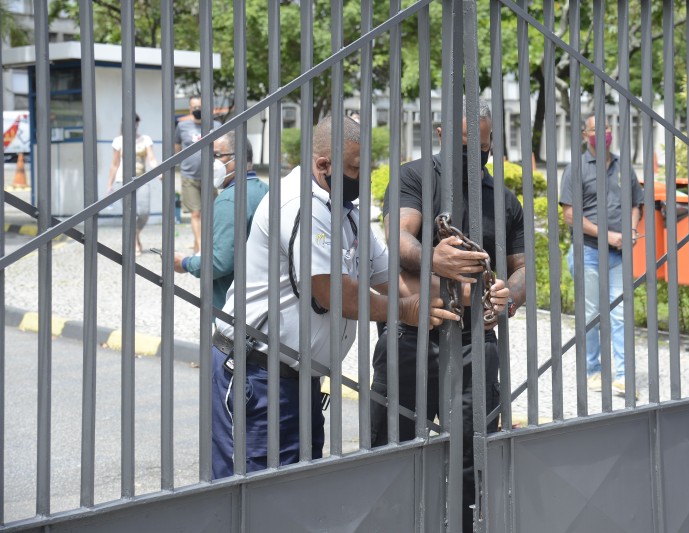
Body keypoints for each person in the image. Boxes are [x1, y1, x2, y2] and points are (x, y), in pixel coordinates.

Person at [209, 115, 458, 479]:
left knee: (294, 492)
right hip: (257, 377)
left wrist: (466, 297)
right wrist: (405, 310)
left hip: (299, 382)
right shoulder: (299, 204)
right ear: (324, 164)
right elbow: (331, 292)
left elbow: (389, 277)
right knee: (249, 494)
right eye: (356, 168)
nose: (365, 176)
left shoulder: (345, 214)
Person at [370, 98, 523, 531]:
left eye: (484, 143)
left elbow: (523, 268)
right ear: (439, 135)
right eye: (464, 144)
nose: (476, 153)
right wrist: (435, 261)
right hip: (411, 338)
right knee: (391, 452)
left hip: (476, 343)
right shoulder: (414, 176)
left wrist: (506, 296)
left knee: (473, 461)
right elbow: (399, 238)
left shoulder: (504, 199)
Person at [559, 115, 644, 397]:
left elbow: (636, 203)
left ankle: (622, 375)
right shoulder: (576, 169)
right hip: (589, 252)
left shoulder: (623, 168)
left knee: (621, 313)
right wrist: (607, 235)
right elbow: (570, 215)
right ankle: (592, 371)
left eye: (607, 128)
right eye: (597, 129)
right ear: (585, 134)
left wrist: (631, 228)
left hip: (619, 254)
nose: (604, 133)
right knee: (592, 314)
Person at [173, 131, 268, 310]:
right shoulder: (265, 189)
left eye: (216, 155)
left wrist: (185, 263)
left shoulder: (230, 200)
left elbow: (219, 262)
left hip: (233, 308)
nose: (211, 163)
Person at [174, 94, 222, 253]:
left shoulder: (215, 125)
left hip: (210, 177)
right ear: (189, 108)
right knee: (195, 213)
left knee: (211, 213)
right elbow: (176, 147)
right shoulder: (182, 126)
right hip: (190, 176)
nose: (197, 110)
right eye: (194, 107)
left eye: (200, 107)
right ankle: (201, 249)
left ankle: (198, 244)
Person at [106, 113, 158, 256]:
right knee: (130, 214)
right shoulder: (118, 141)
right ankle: (135, 242)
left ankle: (135, 234)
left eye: (135, 122)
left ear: (138, 123)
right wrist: (109, 185)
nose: (133, 125)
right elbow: (114, 163)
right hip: (122, 180)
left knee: (144, 213)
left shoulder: (145, 139)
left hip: (141, 179)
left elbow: (152, 159)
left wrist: (159, 172)